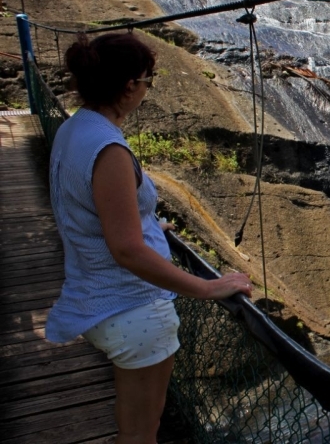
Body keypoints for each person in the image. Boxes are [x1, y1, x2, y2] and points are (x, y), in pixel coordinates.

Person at [46, 32, 253, 444]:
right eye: (147, 81)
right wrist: (207, 287)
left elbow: (89, 209)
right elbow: (125, 249)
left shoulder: (74, 130)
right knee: (142, 435)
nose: (147, 90)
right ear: (129, 87)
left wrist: (145, 223)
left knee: (132, 430)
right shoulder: (110, 150)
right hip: (134, 310)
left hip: (99, 297)